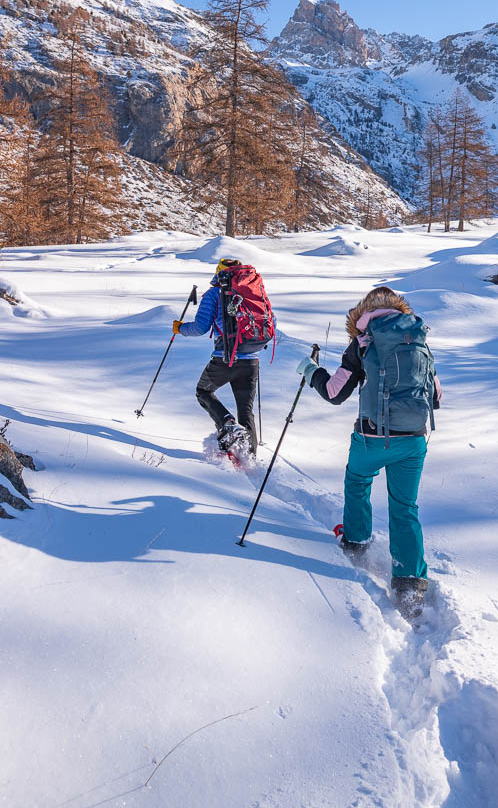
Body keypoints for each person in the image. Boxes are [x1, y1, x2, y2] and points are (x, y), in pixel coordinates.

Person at [296, 286, 441, 617]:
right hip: (415, 440)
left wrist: (310, 371)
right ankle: (409, 584)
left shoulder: (363, 341)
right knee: (404, 507)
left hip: (372, 437)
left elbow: (335, 393)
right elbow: (435, 397)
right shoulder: (418, 339)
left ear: (364, 311)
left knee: (358, 480)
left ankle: (356, 541)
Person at [173, 258, 274, 455]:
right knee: (246, 410)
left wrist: (180, 328)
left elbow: (201, 327)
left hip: (225, 358)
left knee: (203, 391)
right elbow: (272, 322)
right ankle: (250, 456)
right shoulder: (255, 291)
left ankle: (228, 424)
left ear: (218, 272)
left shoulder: (214, 294)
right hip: (251, 359)